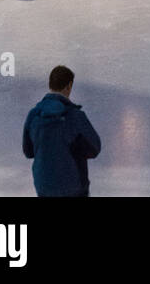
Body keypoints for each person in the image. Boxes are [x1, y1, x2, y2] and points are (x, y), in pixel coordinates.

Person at [22, 65, 101, 198]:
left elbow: (28, 151)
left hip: (44, 188)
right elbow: (94, 148)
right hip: (74, 189)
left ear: (50, 84)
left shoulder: (34, 115)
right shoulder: (75, 116)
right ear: (69, 85)